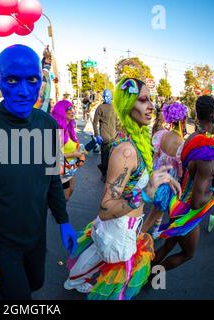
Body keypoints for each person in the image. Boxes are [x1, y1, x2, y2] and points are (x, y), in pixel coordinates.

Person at [0, 44, 77, 300]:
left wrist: (63, 220)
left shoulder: (47, 125)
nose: (23, 91)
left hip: (36, 236)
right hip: (0, 243)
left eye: (31, 80)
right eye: (12, 80)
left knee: (34, 283)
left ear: (40, 81)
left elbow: (52, 179)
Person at [64, 78, 181, 300]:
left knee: (97, 251)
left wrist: (161, 178)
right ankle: (75, 280)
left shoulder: (138, 139)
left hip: (125, 225)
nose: (151, 106)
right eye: (143, 100)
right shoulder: (127, 150)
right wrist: (146, 193)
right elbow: (105, 208)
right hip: (119, 227)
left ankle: (74, 280)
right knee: (119, 274)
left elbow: (135, 181)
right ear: (128, 105)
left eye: (151, 100)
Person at [153, 96, 214, 271]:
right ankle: (152, 277)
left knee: (167, 247)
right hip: (186, 212)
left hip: (176, 203)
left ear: (197, 115)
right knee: (187, 254)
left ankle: (146, 272)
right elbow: (197, 202)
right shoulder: (207, 154)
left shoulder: (192, 137)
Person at [142, 102, 188, 235]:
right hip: (168, 181)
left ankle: (152, 230)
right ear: (183, 121)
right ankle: (141, 236)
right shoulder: (181, 144)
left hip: (155, 174)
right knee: (157, 210)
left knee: (143, 205)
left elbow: (155, 155)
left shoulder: (161, 134)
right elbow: (179, 172)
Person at [51, 100, 85, 201]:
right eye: (69, 108)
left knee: (71, 190)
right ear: (61, 111)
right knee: (64, 197)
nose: (72, 111)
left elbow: (74, 145)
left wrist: (81, 155)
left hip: (70, 169)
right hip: (61, 171)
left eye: (72, 108)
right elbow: (55, 156)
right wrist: (75, 154)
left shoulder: (70, 128)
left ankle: (56, 207)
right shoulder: (59, 131)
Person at [93, 89, 117, 182]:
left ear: (111, 96)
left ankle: (108, 171)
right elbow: (95, 122)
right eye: (104, 96)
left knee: (113, 156)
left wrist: (119, 133)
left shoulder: (115, 107)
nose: (106, 98)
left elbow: (117, 121)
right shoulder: (100, 108)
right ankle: (104, 174)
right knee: (105, 156)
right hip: (104, 136)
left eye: (108, 96)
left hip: (114, 136)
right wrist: (97, 135)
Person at [36, 46, 52, 113]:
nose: (50, 61)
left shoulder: (45, 73)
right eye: (48, 60)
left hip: (44, 100)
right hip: (42, 102)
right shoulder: (43, 73)